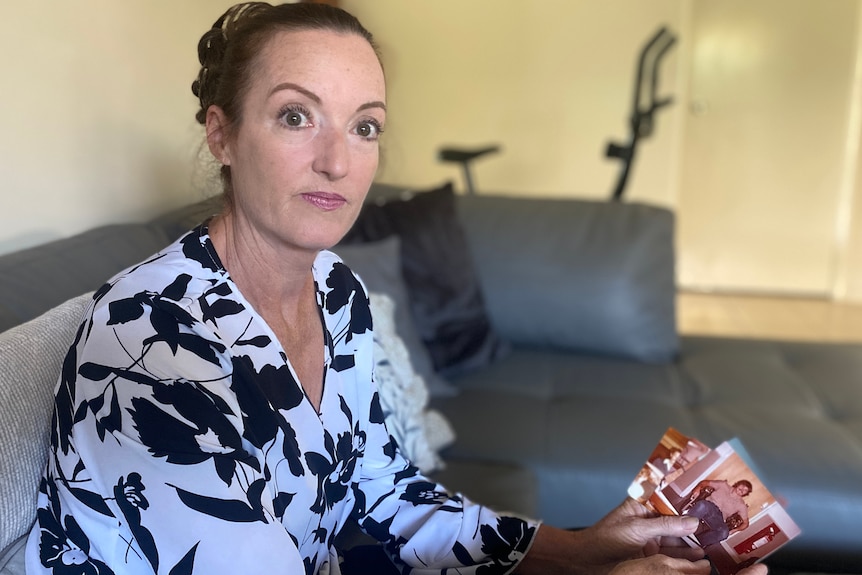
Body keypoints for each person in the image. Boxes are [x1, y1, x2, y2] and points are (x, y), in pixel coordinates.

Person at [25, 3, 768, 575]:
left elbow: (383, 494)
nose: (337, 162)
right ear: (221, 135)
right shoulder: (148, 344)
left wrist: (577, 549)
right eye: (295, 116)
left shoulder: (337, 291)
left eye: (366, 127)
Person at [683, 479, 753, 546]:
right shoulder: (723, 485)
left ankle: (694, 543)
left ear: (746, 494)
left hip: (718, 518)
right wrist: (697, 488)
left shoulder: (741, 505)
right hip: (708, 507)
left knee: (724, 533)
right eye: (742, 486)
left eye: (745, 490)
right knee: (702, 505)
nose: (742, 489)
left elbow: (746, 524)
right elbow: (705, 482)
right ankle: (682, 527)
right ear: (738, 484)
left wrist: (734, 530)